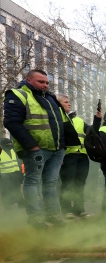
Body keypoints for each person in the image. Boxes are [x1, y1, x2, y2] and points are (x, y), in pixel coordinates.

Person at [3, 69, 72, 228]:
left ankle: (53, 214)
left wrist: (63, 146)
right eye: (41, 82)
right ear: (28, 80)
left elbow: (61, 123)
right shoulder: (18, 95)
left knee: (51, 183)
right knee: (33, 181)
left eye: (47, 82)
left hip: (56, 150)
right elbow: (11, 123)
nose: (45, 85)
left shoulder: (50, 98)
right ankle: (35, 218)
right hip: (36, 149)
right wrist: (32, 146)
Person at [58, 95, 101, 219]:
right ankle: (66, 210)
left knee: (80, 184)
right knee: (67, 183)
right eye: (66, 102)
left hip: (82, 156)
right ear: (59, 105)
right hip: (67, 156)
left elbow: (93, 131)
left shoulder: (78, 120)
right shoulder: (57, 118)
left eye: (69, 101)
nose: (69, 104)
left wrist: (97, 119)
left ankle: (79, 209)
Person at [0, 138, 23, 208]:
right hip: (4, 175)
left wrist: (21, 174)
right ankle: (7, 204)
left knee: (16, 189)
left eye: (10, 143)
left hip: (15, 174)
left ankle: (20, 202)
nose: (10, 145)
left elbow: (18, 162)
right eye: (8, 144)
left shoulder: (13, 151)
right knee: (5, 190)